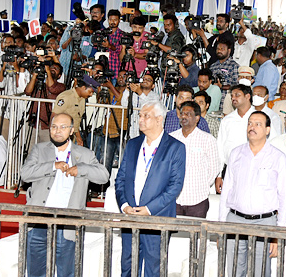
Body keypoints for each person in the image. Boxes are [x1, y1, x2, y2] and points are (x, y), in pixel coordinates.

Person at [21, 113, 110, 277]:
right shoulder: (39, 149)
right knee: (35, 271)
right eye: (54, 127)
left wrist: (81, 169)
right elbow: (25, 174)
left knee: (67, 271)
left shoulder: (84, 154)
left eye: (63, 127)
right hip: (39, 217)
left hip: (69, 220)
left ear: (71, 130)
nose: (57, 131)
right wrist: (52, 166)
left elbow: (104, 176)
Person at [113, 100, 186, 277]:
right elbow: (120, 179)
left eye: (146, 116)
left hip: (158, 218)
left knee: (154, 268)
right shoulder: (133, 144)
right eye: (140, 115)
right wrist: (124, 206)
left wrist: (148, 209)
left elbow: (175, 186)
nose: (141, 119)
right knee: (128, 266)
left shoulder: (175, 148)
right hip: (130, 216)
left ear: (159, 119)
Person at [220, 111, 286, 277]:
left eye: (258, 124)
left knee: (260, 271)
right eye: (250, 123)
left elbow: (283, 198)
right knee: (235, 270)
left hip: (264, 222)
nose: (252, 127)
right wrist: (221, 226)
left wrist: (277, 235)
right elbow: (226, 191)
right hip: (235, 220)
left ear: (267, 130)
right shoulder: (236, 154)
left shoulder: (278, 157)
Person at [170, 101, 220, 218]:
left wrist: (201, 185)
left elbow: (214, 168)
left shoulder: (207, 139)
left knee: (196, 235)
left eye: (188, 114)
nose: (183, 116)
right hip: (174, 199)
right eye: (182, 113)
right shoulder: (171, 138)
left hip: (198, 199)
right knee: (172, 234)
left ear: (197, 118)